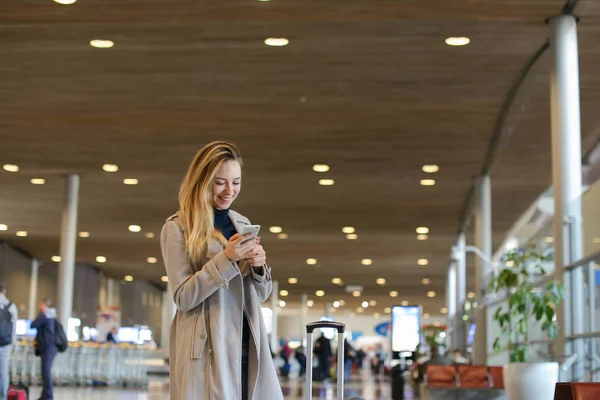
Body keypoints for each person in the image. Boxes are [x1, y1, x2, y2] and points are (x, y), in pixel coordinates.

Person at [161, 141, 283, 400]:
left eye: (236, 182)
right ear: (202, 180)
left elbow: (260, 295)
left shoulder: (242, 223)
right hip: (209, 346)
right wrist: (226, 259)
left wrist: (259, 266)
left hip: (247, 341)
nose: (230, 191)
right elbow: (183, 297)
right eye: (220, 182)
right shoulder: (178, 227)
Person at [31, 299, 57, 400]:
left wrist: (40, 313)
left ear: (44, 305)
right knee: (45, 371)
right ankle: (45, 395)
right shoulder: (52, 316)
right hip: (49, 347)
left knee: (46, 371)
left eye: (41, 304)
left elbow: (33, 325)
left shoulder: (45, 315)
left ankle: (48, 395)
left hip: (47, 347)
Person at [0, 283, 18, 400]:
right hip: (5, 343)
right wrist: (12, 344)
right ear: (4, 291)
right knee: (3, 371)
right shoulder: (11, 306)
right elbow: (14, 327)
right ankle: (3, 397)